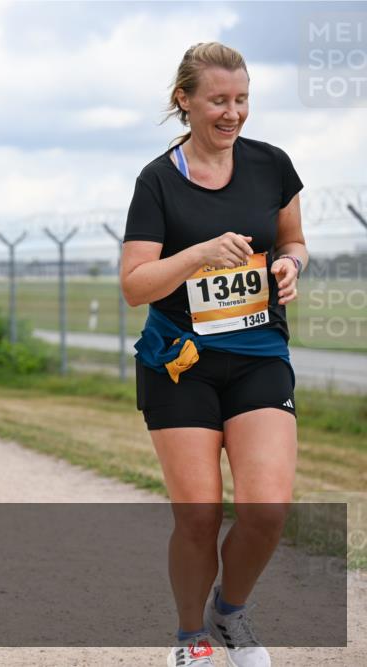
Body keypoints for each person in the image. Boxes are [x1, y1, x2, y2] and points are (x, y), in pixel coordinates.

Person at [120, 43, 307, 667]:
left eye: (242, 100)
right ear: (186, 100)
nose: (233, 114)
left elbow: (295, 239)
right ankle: (189, 637)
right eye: (219, 101)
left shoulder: (272, 165)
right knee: (200, 514)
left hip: (259, 354)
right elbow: (134, 286)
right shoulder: (157, 180)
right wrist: (197, 254)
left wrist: (288, 265)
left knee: (267, 508)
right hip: (182, 362)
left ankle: (230, 614)